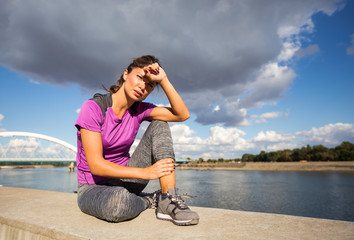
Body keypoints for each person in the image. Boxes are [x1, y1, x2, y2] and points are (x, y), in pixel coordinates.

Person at [75, 55, 199, 226]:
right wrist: (146, 173)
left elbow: (182, 114)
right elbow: (96, 165)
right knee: (117, 204)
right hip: (92, 187)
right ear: (126, 74)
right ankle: (149, 201)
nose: (143, 86)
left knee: (160, 122)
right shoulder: (94, 108)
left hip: (127, 179)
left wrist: (163, 80)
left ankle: (168, 198)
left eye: (149, 85)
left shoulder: (140, 110)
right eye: (140, 77)